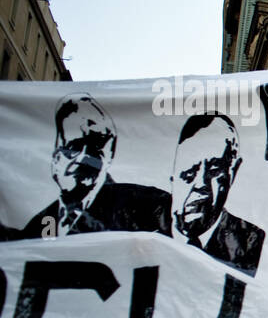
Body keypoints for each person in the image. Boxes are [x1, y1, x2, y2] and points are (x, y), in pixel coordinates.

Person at [9, 94, 168, 239]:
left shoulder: (148, 207)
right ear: (55, 156)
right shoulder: (41, 223)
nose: (84, 158)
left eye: (95, 149)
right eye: (73, 147)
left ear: (110, 155)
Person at [169, 111, 265, 276]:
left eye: (214, 170)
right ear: (172, 176)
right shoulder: (139, 226)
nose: (201, 186)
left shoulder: (250, 242)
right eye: (189, 173)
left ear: (233, 173)